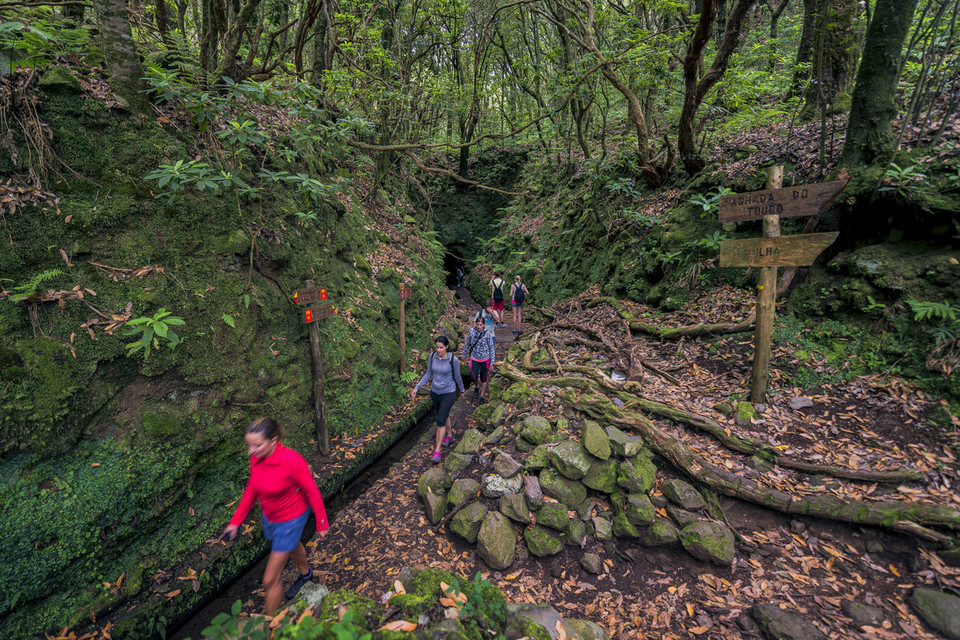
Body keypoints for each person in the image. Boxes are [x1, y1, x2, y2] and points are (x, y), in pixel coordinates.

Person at [222, 417, 329, 615]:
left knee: (270, 580)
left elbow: (312, 491)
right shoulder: (257, 458)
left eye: (256, 445)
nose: (250, 451)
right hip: (270, 517)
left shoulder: (291, 460)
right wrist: (235, 522)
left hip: (290, 519)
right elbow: (252, 489)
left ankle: (268, 626)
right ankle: (306, 576)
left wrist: (322, 522)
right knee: (291, 546)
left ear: (274, 441)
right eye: (249, 445)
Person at [411, 336, 465, 463]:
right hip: (435, 392)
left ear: (446, 347)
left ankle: (437, 451)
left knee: (440, 420)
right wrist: (417, 387)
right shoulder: (432, 357)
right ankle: (450, 435)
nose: (439, 350)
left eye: (441, 347)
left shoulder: (453, 360)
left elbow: (457, 376)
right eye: (437, 347)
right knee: (443, 414)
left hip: (449, 393)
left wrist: (462, 389)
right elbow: (428, 373)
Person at [462, 314, 495, 404]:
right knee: (473, 376)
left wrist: (492, 362)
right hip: (474, 357)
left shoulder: (487, 334)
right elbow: (467, 343)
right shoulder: (471, 332)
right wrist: (464, 355)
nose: (479, 326)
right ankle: (477, 385)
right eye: (478, 324)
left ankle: (481, 396)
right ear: (475, 324)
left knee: (484, 378)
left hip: (485, 358)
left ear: (483, 325)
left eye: (481, 325)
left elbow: (491, 347)